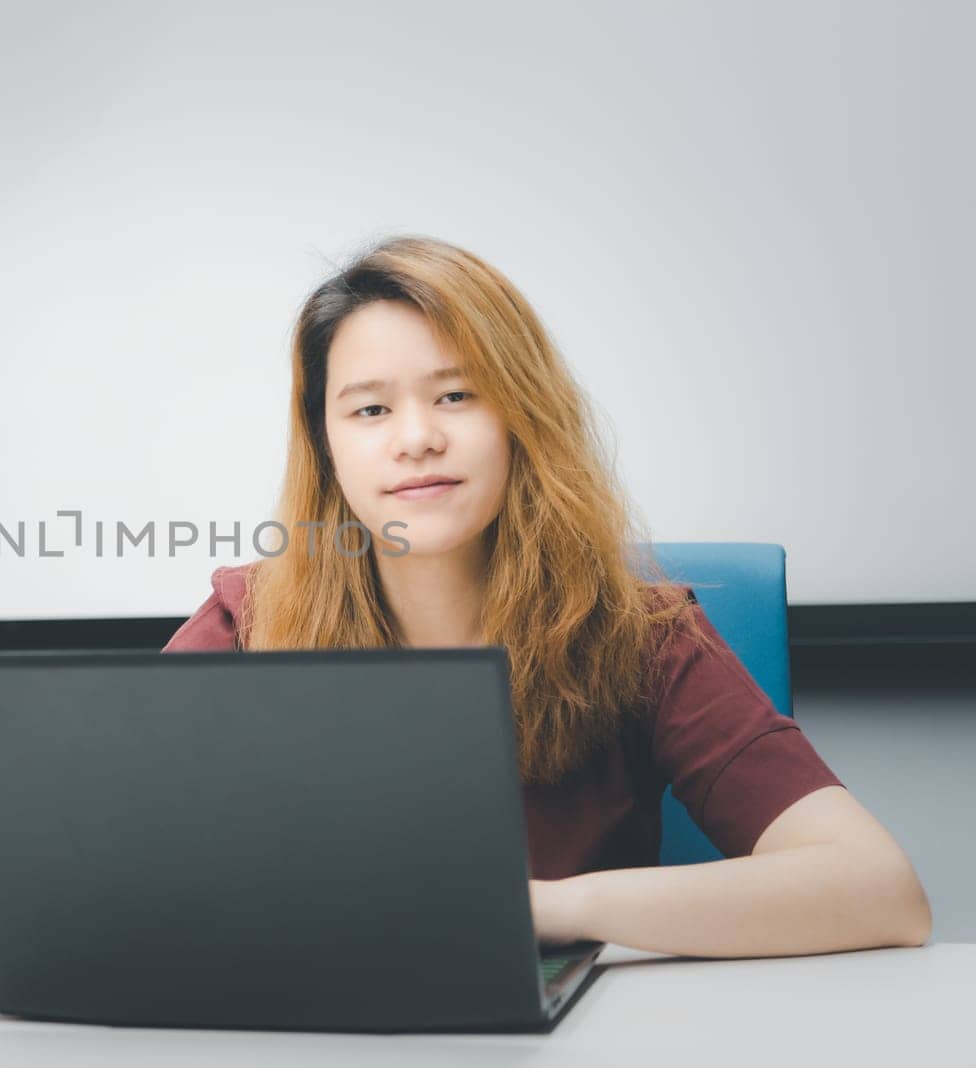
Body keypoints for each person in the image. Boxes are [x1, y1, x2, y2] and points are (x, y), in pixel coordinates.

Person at [162, 235, 931, 958]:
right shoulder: (250, 622)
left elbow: (879, 889)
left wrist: (544, 910)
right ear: (326, 444)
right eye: (370, 409)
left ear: (522, 415)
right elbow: (93, 855)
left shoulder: (645, 636)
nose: (417, 437)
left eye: (458, 395)